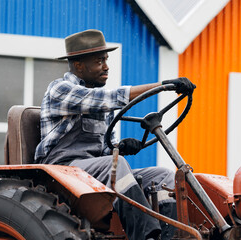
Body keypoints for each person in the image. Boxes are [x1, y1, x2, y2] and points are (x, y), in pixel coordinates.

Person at [34, 29, 195, 240]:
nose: (106, 66)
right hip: (61, 170)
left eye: (106, 60)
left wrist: (121, 147)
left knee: (162, 176)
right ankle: (145, 236)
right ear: (79, 65)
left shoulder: (101, 106)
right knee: (115, 166)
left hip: (91, 171)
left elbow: (104, 149)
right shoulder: (60, 89)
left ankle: (169, 235)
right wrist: (162, 86)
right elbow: (106, 98)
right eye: (99, 61)